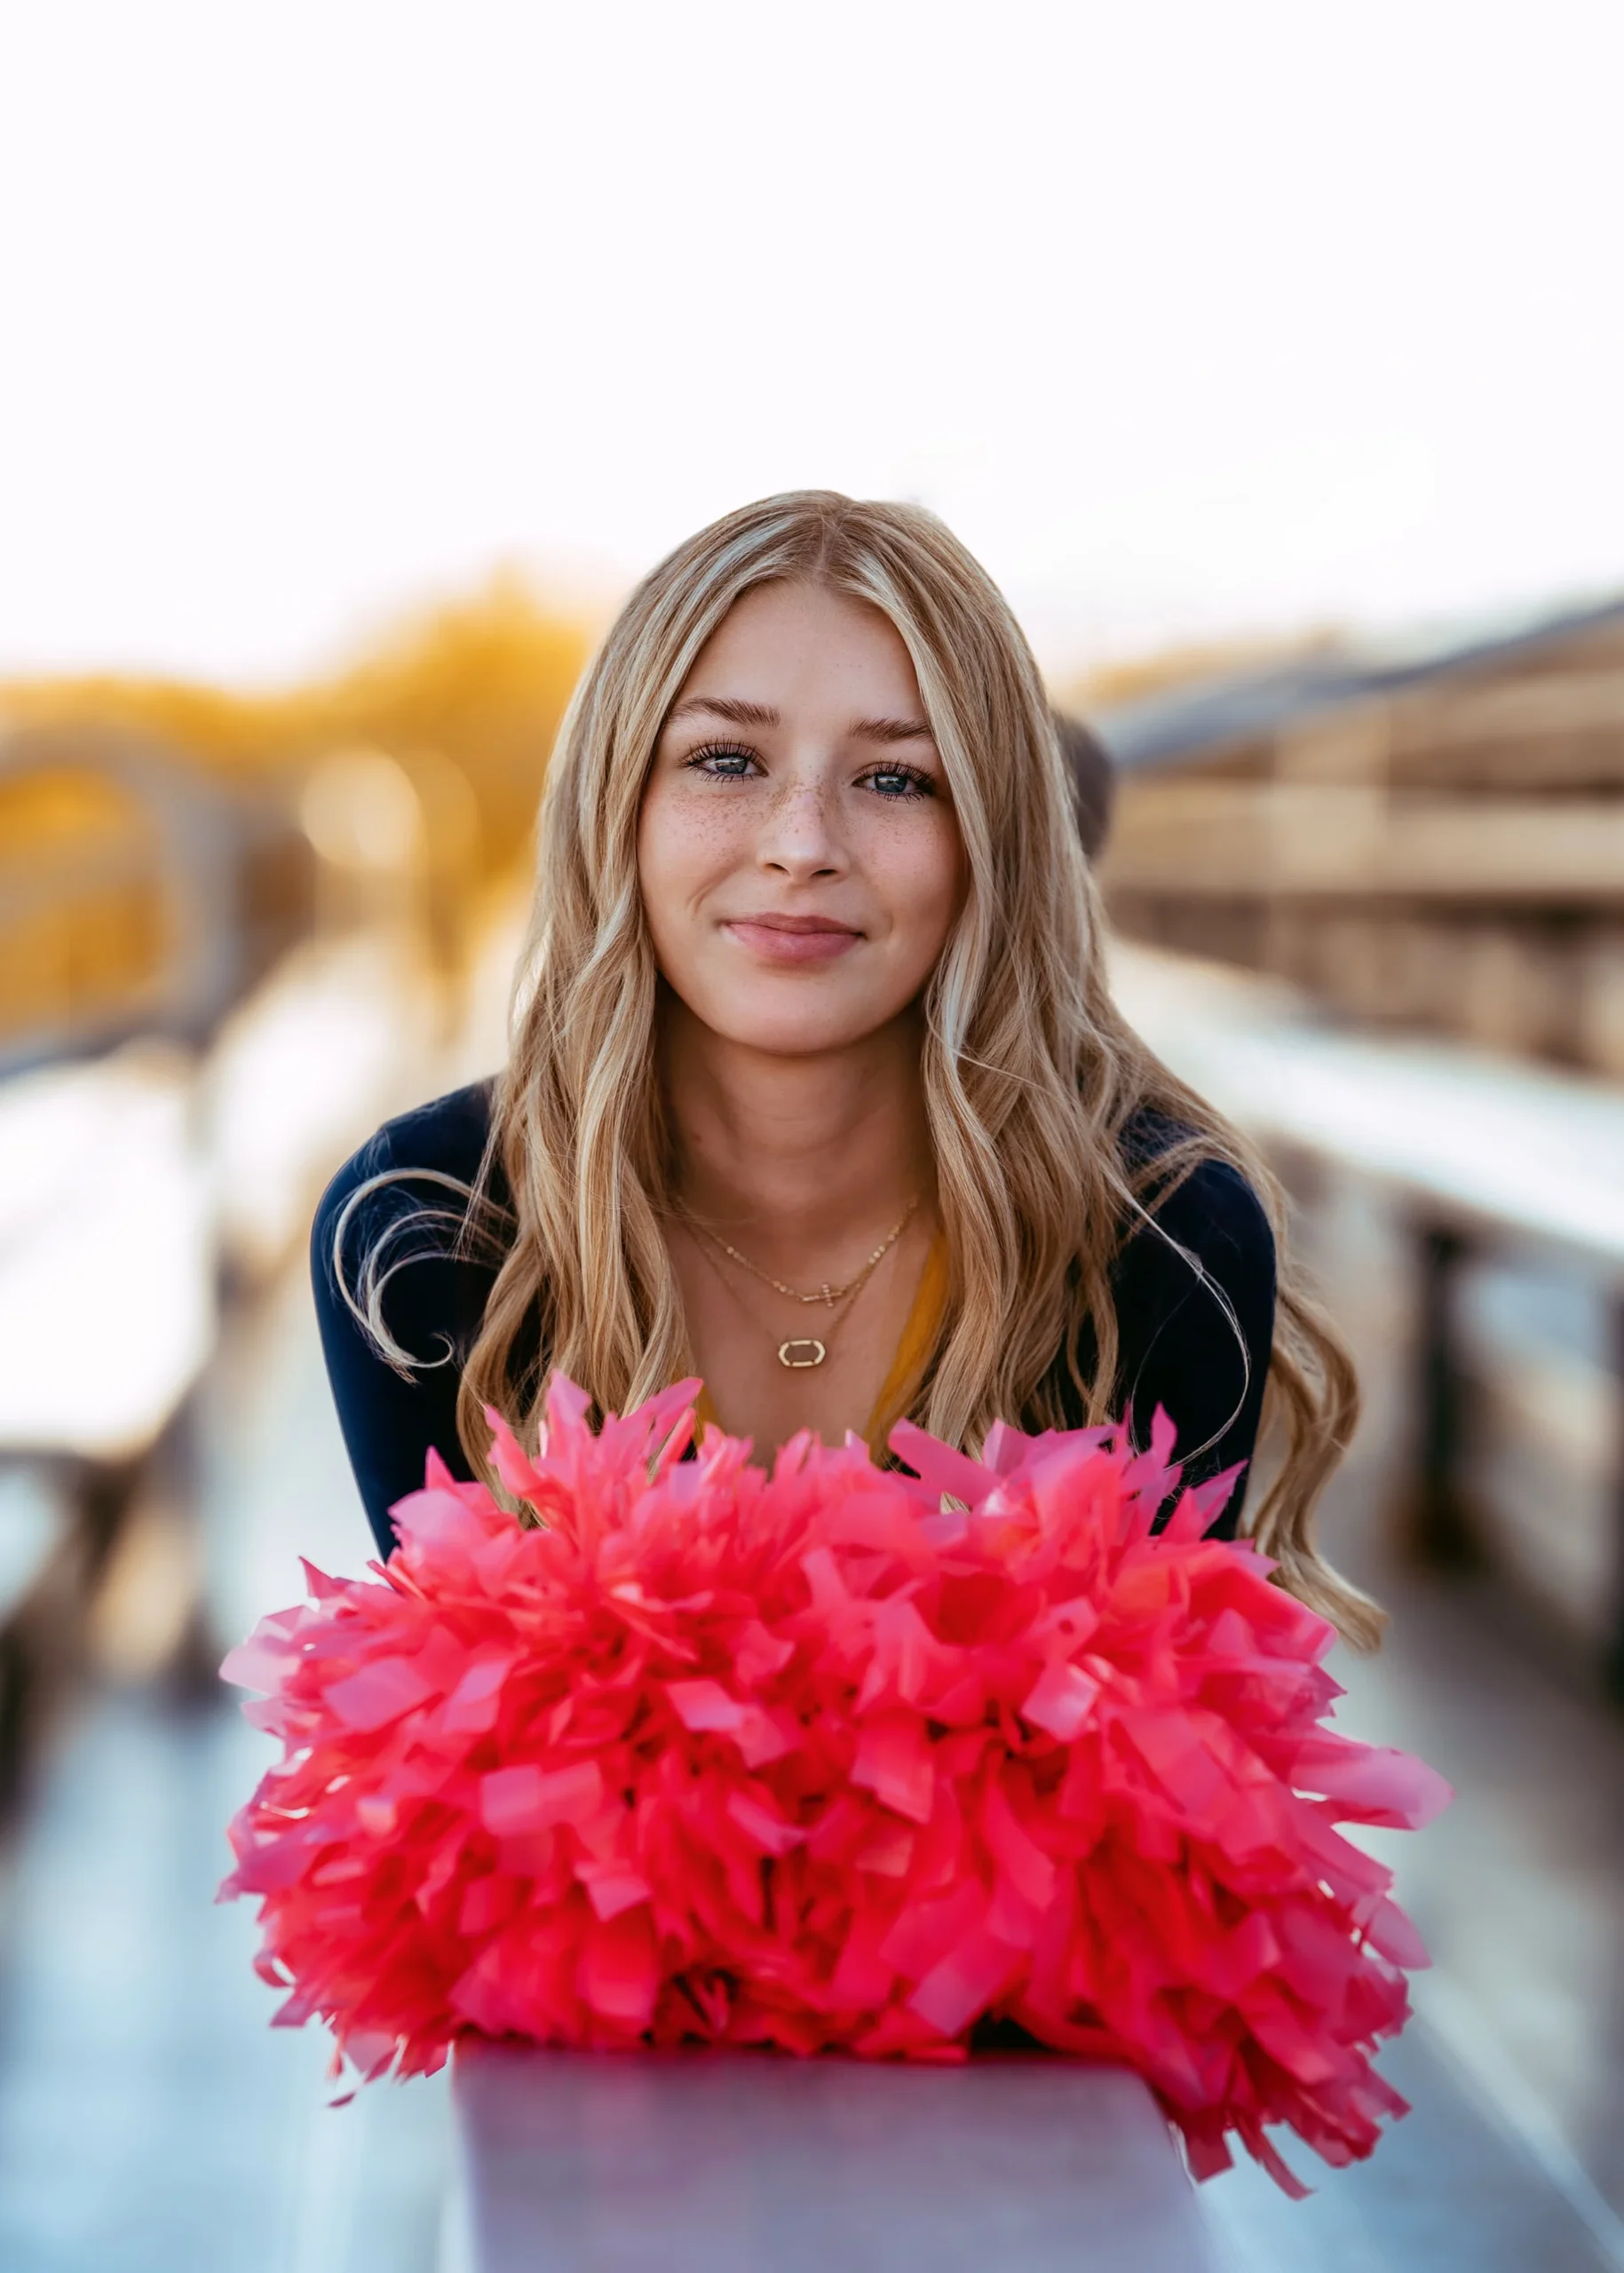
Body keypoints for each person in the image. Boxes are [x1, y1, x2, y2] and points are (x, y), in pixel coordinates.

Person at [313, 492, 1378, 1646]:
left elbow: (1145, 1778)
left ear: (991, 837)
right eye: (726, 760)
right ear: (616, 806)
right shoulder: (425, 1229)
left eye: (894, 779)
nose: (803, 844)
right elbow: (478, 1771)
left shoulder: (1160, 1232)